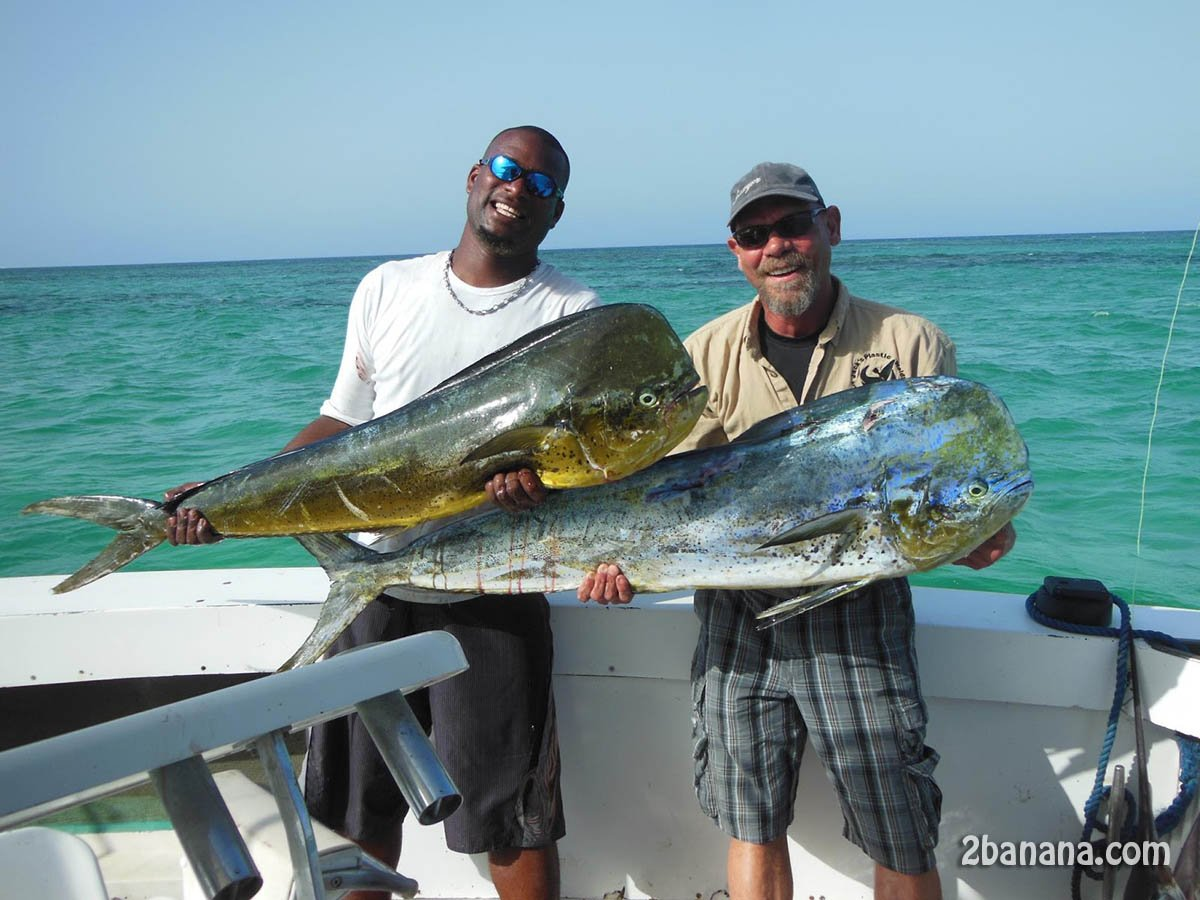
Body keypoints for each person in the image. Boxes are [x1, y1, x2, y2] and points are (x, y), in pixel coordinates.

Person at [166, 125, 599, 900]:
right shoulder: (388, 287)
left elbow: (578, 465)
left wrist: (541, 489)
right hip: (374, 586)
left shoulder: (574, 312)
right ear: (474, 177)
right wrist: (231, 493)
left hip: (494, 593)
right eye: (507, 170)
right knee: (356, 816)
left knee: (511, 819)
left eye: (540, 185)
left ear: (556, 210)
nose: (517, 189)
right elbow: (341, 422)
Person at [580, 162, 1015, 900]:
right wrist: (617, 562)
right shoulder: (699, 357)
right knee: (750, 819)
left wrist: (977, 534)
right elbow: (658, 496)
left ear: (831, 228)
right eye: (756, 234)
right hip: (733, 615)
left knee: (900, 829)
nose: (777, 246)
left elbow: (946, 482)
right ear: (736, 252)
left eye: (793, 226)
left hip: (860, 612)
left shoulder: (912, 345)